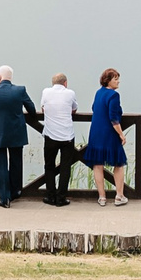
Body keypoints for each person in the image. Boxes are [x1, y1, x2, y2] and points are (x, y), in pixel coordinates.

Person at [0, 66, 39, 208]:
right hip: (16, 132)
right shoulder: (20, 90)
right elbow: (31, 109)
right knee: (16, 163)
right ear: (10, 78)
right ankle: (15, 191)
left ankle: (4, 198)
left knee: (0, 166)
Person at [84, 68, 130, 206]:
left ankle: (102, 197)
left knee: (97, 164)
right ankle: (119, 196)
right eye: (115, 79)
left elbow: (94, 108)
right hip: (109, 133)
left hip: (96, 132)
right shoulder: (113, 95)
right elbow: (114, 118)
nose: (118, 81)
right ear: (108, 80)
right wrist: (121, 135)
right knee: (119, 163)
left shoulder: (98, 93)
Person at [40, 73, 80, 207]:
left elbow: (43, 108)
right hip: (67, 136)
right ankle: (61, 198)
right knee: (65, 167)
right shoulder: (70, 93)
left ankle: (50, 196)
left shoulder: (46, 92)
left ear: (53, 83)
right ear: (65, 83)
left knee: (49, 166)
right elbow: (74, 109)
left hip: (50, 135)